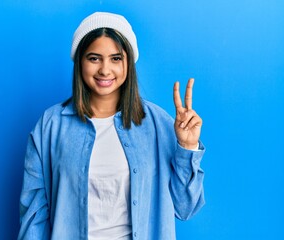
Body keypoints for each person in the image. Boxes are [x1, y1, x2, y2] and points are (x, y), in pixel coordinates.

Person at [18, 12, 205, 240]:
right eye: (94, 58)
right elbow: (34, 217)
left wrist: (187, 147)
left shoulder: (159, 124)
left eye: (116, 58)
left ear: (129, 63)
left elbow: (185, 208)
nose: (105, 70)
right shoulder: (50, 126)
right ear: (80, 62)